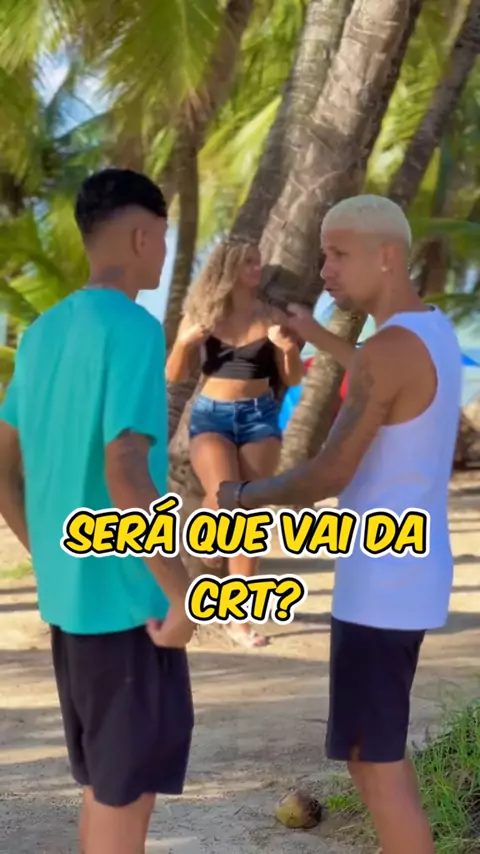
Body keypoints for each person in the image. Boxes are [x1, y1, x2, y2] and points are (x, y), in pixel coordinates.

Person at [216, 194, 462, 854]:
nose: (324, 270)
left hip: (384, 582)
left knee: (374, 761)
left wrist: (242, 494)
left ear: (387, 256)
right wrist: (320, 337)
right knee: (365, 753)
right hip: (403, 570)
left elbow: (328, 473)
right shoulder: (430, 332)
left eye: (337, 254)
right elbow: (386, 375)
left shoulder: (389, 349)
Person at [0, 168, 196, 854]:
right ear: (143, 237)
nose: (164, 253)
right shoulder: (135, 329)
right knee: (123, 802)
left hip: (74, 606)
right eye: (164, 238)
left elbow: (2, 468)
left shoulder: (43, 332)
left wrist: (49, 554)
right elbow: (125, 471)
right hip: (130, 608)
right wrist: (184, 595)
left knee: (105, 792)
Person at [166, 239, 305, 648]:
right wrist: (184, 343)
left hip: (259, 417)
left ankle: (238, 619)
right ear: (228, 267)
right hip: (212, 415)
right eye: (248, 263)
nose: (256, 268)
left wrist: (287, 349)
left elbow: (293, 378)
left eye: (257, 261)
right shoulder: (203, 314)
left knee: (250, 514)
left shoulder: (273, 317)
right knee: (223, 494)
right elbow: (174, 375)